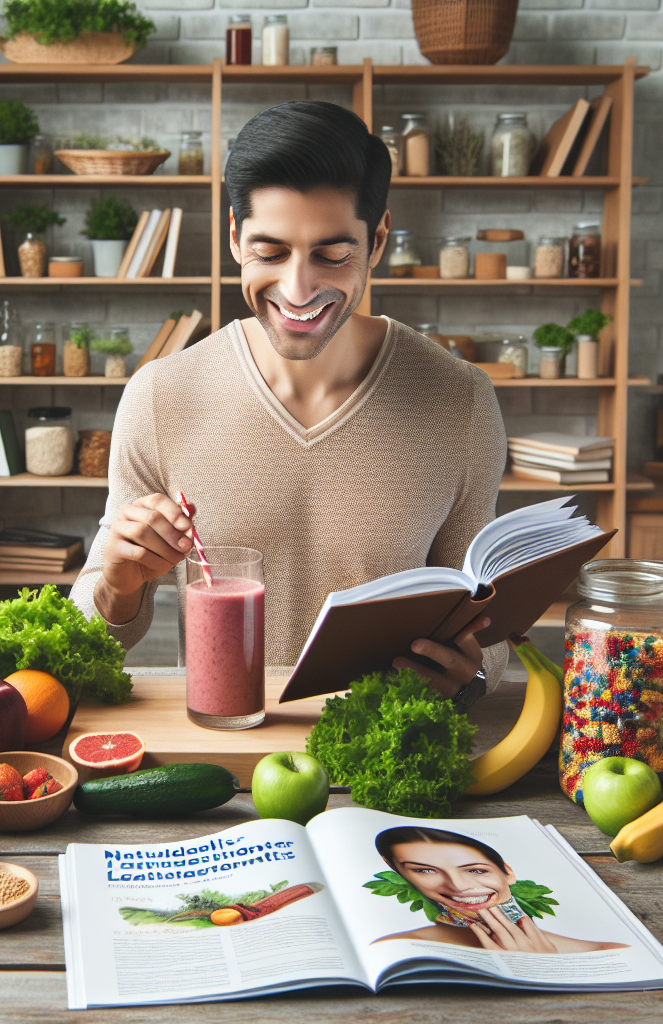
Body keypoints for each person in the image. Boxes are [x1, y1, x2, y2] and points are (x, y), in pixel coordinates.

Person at [70, 100, 508, 704]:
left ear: (377, 239)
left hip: (383, 749)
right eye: (270, 252)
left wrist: (475, 668)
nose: (298, 290)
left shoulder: (460, 402)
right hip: (222, 759)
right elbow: (93, 632)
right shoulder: (161, 397)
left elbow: (488, 620)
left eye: (332, 254)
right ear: (233, 237)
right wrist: (120, 584)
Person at [370, 826, 628, 953]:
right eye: (425, 870)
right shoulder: (398, 946)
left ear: (508, 872)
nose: (459, 886)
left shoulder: (611, 951)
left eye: (476, 870)